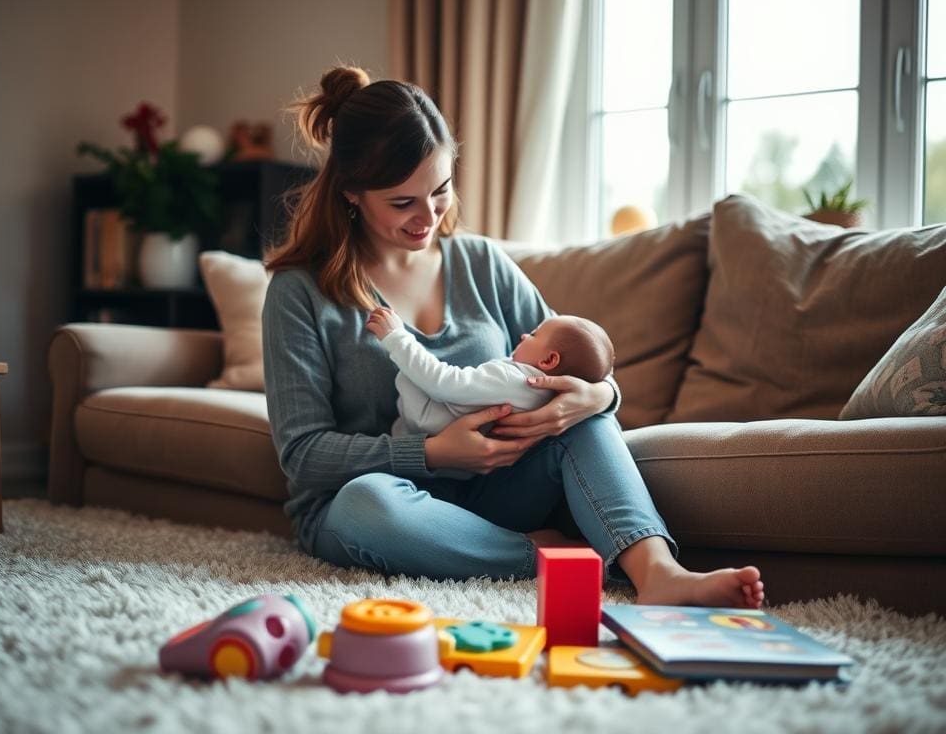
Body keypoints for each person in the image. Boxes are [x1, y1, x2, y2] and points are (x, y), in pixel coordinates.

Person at [262, 65, 764, 608]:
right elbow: (303, 454)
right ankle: (542, 556)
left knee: (586, 420)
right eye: (402, 202)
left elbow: (572, 361)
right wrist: (432, 453)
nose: (427, 216)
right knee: (366, 504)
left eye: (440, 191)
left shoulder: (481, 263)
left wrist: (599, 396)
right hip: (386, 504)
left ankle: (659, 573)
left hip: (495, 492)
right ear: (352, 194)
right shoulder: (300, 291)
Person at [366, 306, 615, 437]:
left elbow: (441, 383)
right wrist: (605, 391)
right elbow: (593, 361)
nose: (523, 335)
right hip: (464, 456)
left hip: (426, 423)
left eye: (534, 334)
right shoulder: (546, 394)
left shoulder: (512, 379)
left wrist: (396, 337)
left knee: (407, 375)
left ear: (549, 360)